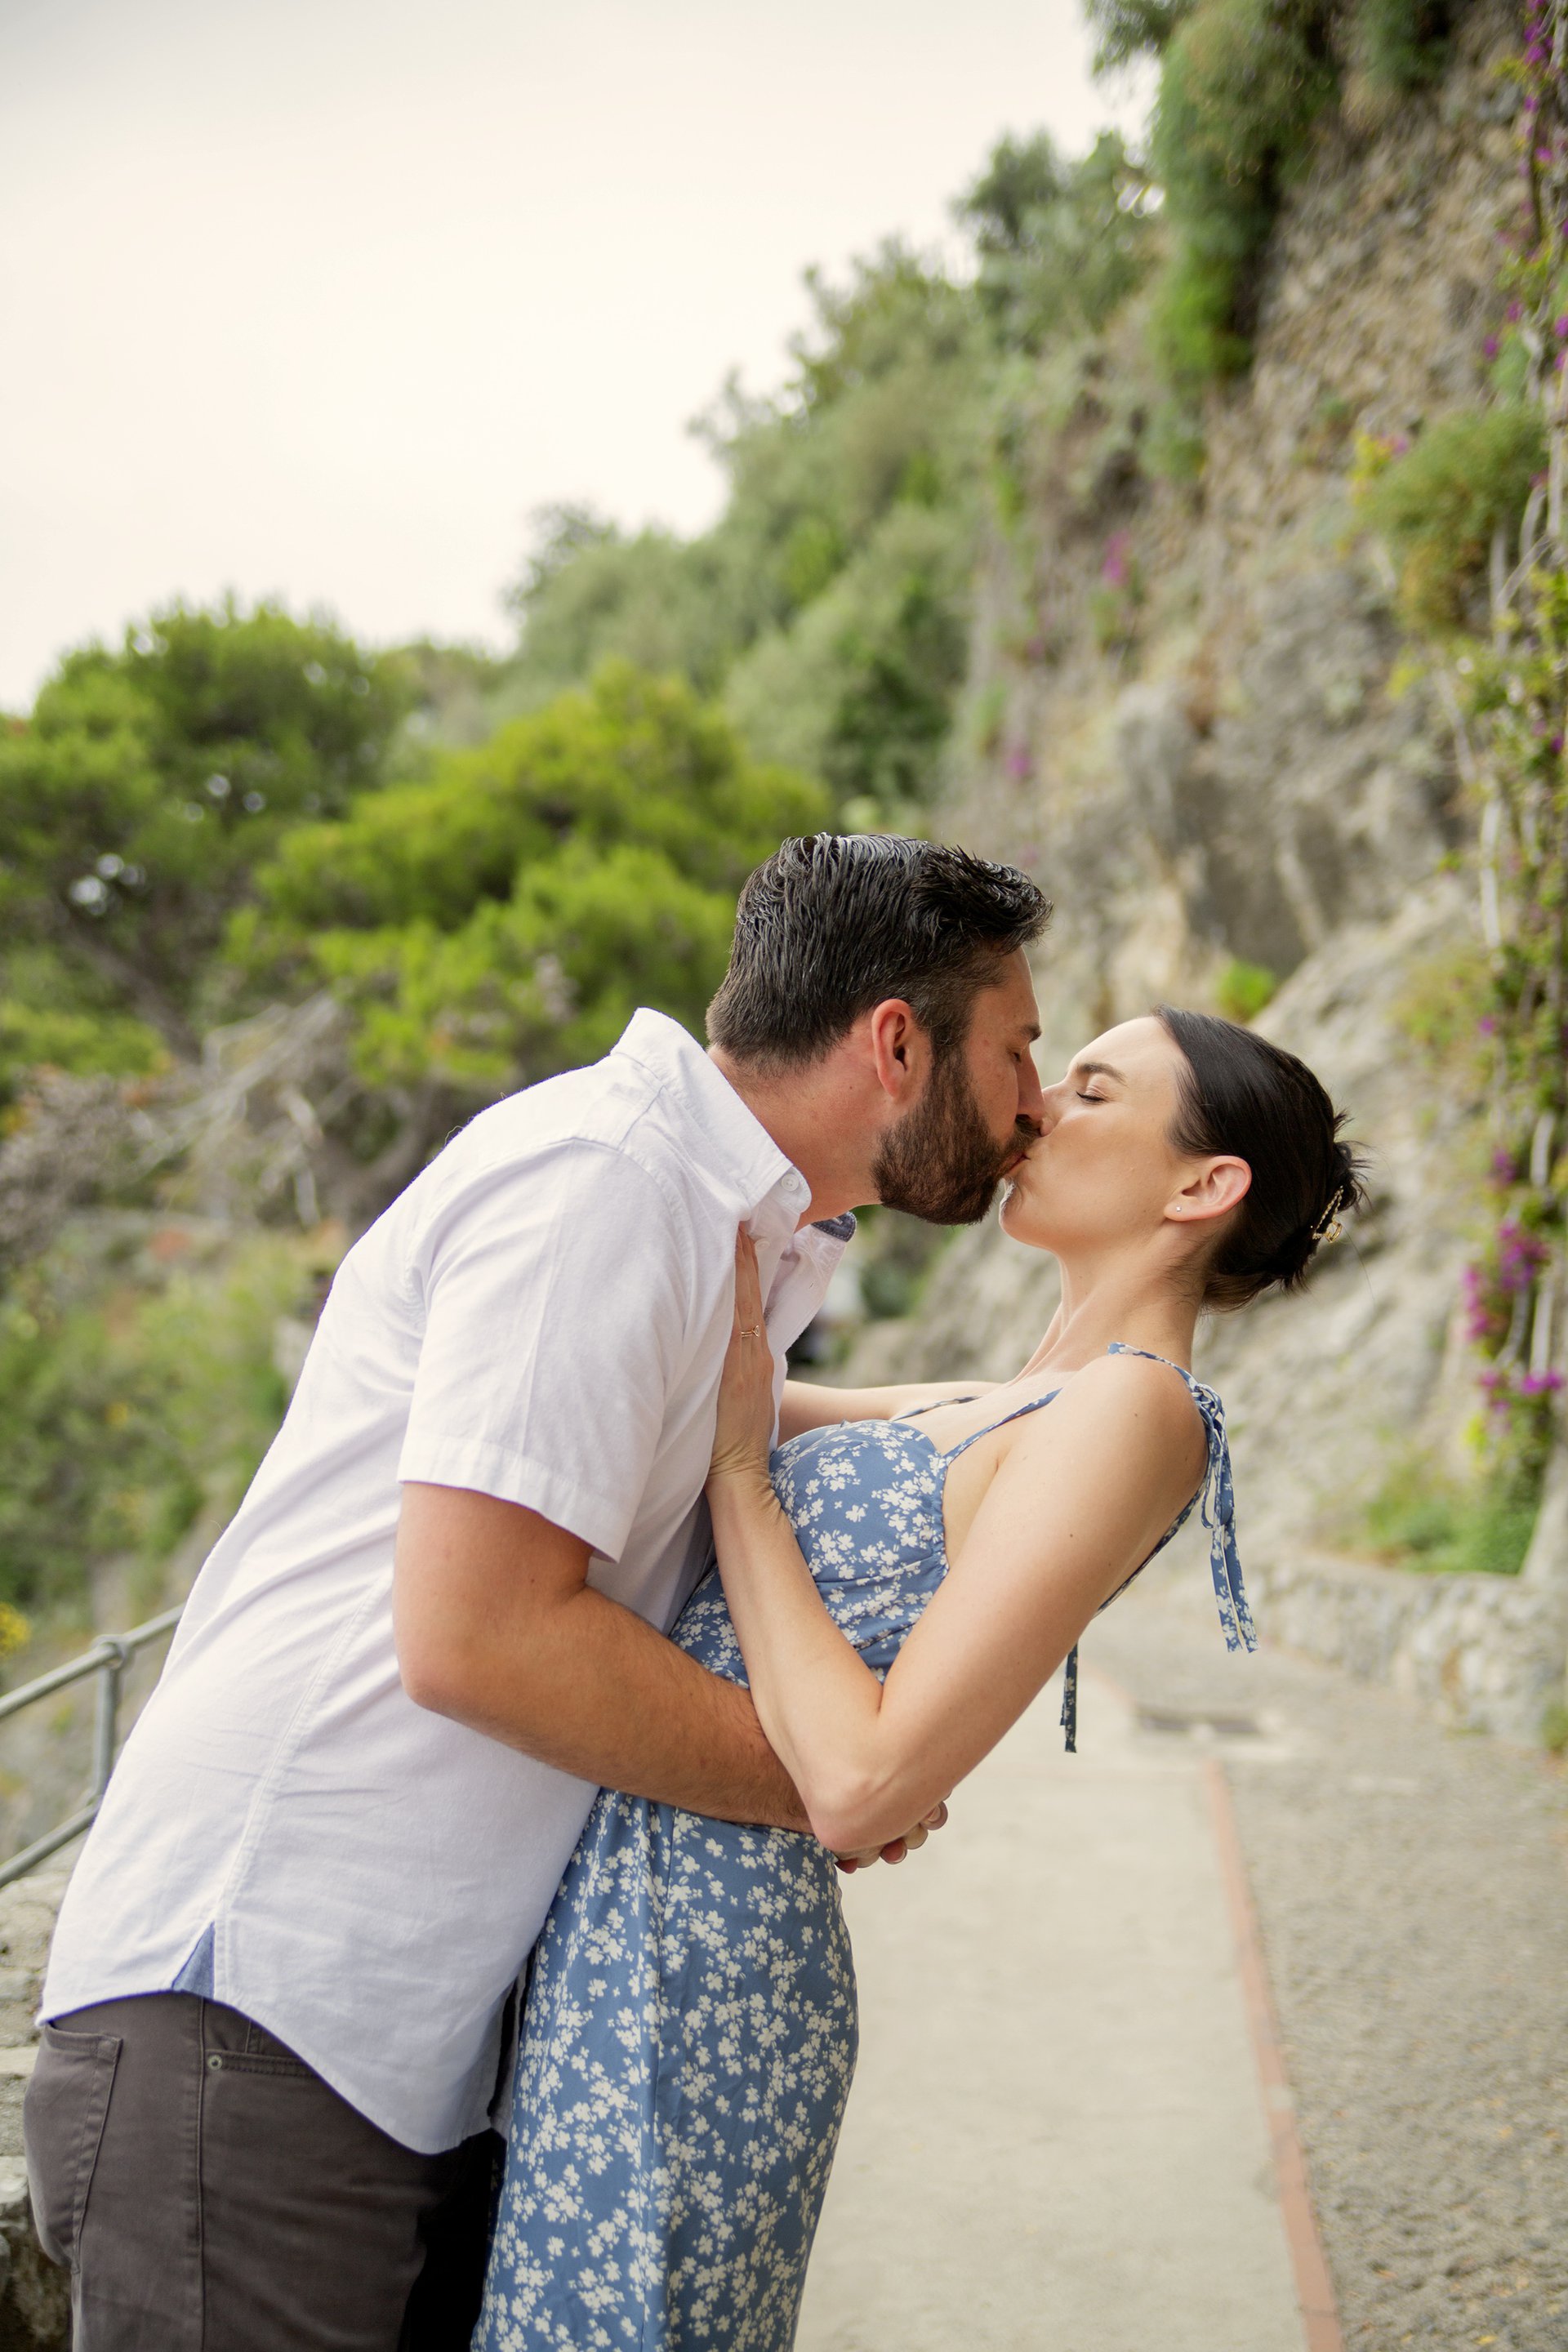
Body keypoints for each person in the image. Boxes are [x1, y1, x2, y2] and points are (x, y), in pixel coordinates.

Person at [24, 834, 1051, 2351]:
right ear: (898, 1044)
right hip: (258, 2017)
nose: (1035, 1102)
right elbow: (478, 1636)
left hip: (384, 2050)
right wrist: (830, 1784)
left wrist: (1065, 1415)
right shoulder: (609, 1182)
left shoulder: (720, 1220)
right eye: (1019, 1050)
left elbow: (763, 1433)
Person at [475, 1004, 1364, 2349]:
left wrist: (742, 1481)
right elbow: (710, 1392)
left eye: (1093, 1092)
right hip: (622, 1907)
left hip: (701, 1964)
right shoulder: (1004, 1401)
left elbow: (861, 1781)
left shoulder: (1139, 1408)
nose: (1038, 1107)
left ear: (1203, 1186)